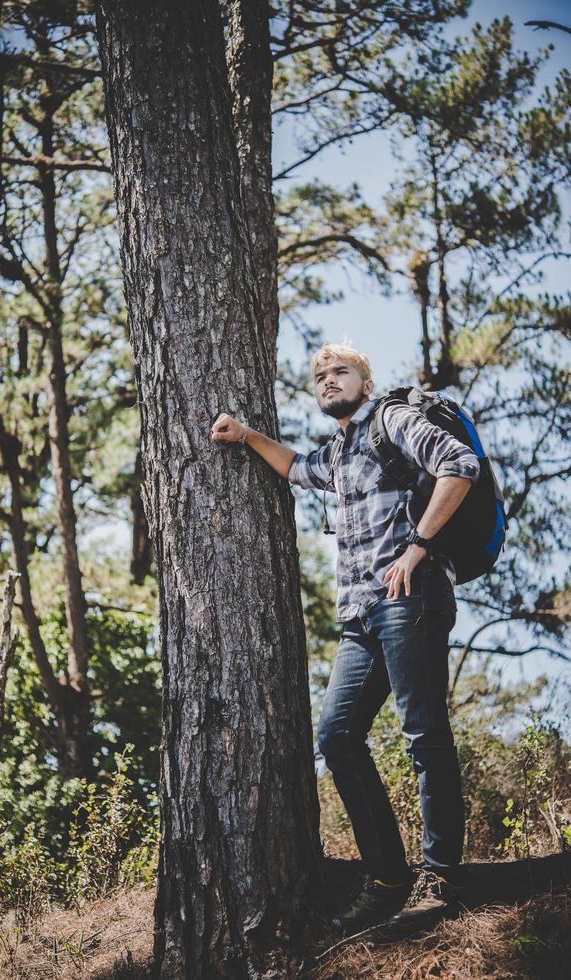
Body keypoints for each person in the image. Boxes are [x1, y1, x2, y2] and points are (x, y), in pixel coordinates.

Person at [210, 343, 480, 933]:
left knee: (423, 733)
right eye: (319, 376)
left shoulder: (390, 419)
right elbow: (294, 466)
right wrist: (248, 434)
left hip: (410, 598)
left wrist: (419, 545)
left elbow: (459, 466)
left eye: (340, 371)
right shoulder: (338, 452)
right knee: (336, 737)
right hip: (360, 617)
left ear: (365, 378)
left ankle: (445, 879)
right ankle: (388, 877)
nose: (328, 380)